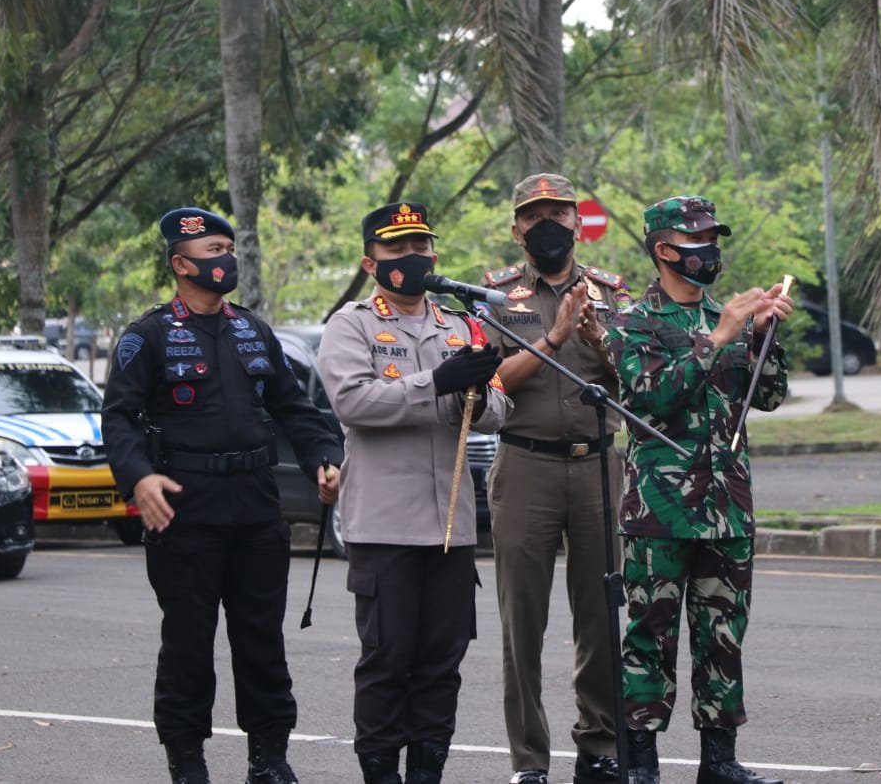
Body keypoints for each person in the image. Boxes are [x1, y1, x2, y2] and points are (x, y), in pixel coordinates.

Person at [101, 207, 343, 784]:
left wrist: (324, 457)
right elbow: (118, 418)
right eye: (213, 251)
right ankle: (187, 763)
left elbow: (294, 407)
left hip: (256, 505)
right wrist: (139, 477)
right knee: (188, 643)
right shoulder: (148, 335)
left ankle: (269, 759)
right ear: (181, 264)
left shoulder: (253, 330)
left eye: (229, 249)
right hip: (185, 508)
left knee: (262, 641)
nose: (226, 260)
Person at [318, 201, 512, 784]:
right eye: (397, 248)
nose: (412, 256)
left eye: (421, 246)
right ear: (370, 261)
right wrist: (438, 382)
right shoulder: (351, 324)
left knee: (441, 664)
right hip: (385, 527)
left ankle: (428, 773)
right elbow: (353, 401)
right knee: (387, 661)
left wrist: (475, 390)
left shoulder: (460, 323)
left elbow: (498, 411)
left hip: (450, 527)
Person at [606, 195, 792, 784]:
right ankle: (641, 764)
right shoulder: (634, 321)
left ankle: (720, 761)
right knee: (649, 637)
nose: (709, 251)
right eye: (697, 241)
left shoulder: (728, 316)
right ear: (664, 250)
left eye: (713, 240)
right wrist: (720, 336)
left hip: (727, 508)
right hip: (658, 512)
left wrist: (762, 336)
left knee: (722, 636)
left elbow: (769, 395)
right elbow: (651, 396)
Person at [479, 173, 632, 784]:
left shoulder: (612, 293)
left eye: (558, 214)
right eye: (534, 215)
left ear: (577, 222)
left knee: (600, 614)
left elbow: (636, 382)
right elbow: (489, 383)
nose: (548, 225)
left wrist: (599, 337)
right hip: (526, 465)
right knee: (523, 621)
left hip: (597, 465)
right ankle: (529, 761)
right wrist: (555, 337)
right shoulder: (495, 297)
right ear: (517, 229)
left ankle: (599, 746)